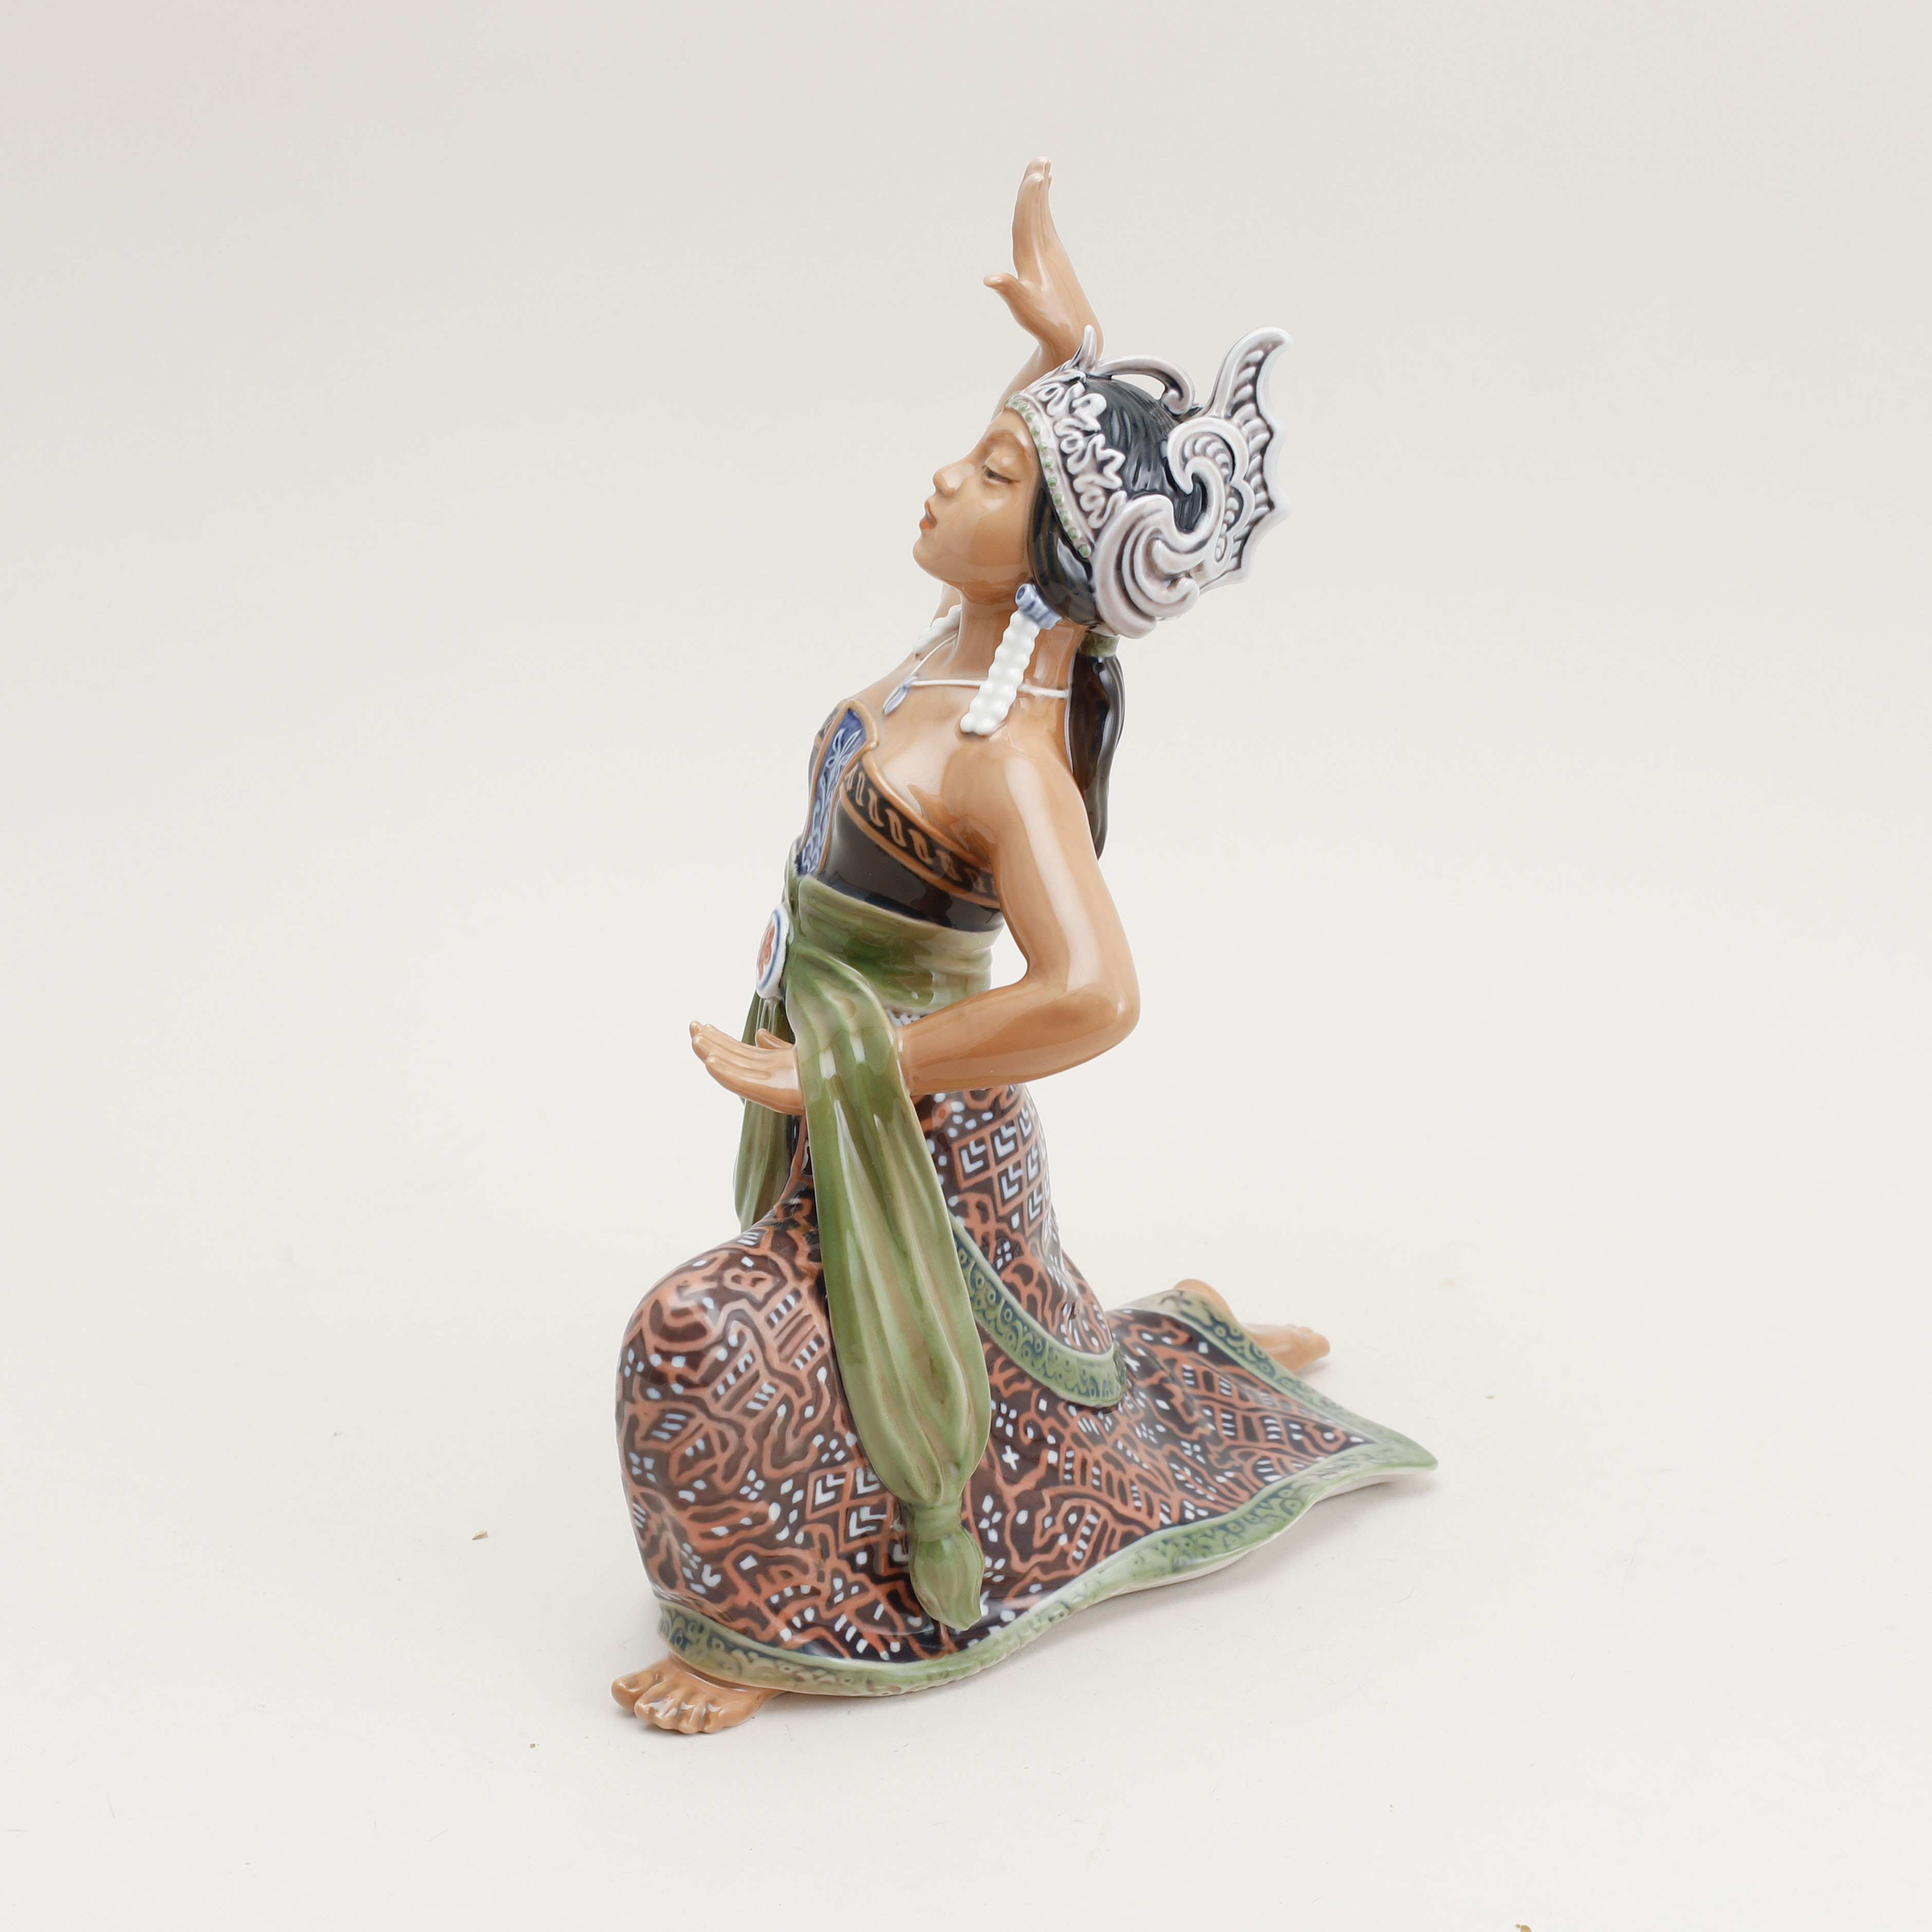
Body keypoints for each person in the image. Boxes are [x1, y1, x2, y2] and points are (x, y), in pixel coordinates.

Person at [612, 160, 1432, 1734]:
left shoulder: (1008, 761)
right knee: (874, 1355)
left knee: (701, 1337)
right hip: (853, 1120)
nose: (947, 475)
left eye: (991, 472)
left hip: (916, 1139)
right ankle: (1160, 1347)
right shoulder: (960, 653)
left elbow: (1096, 996)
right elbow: (1038, 485)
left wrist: (838, 1067)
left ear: (1054, 547)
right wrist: (1065, 350)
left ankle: (756, 1626)